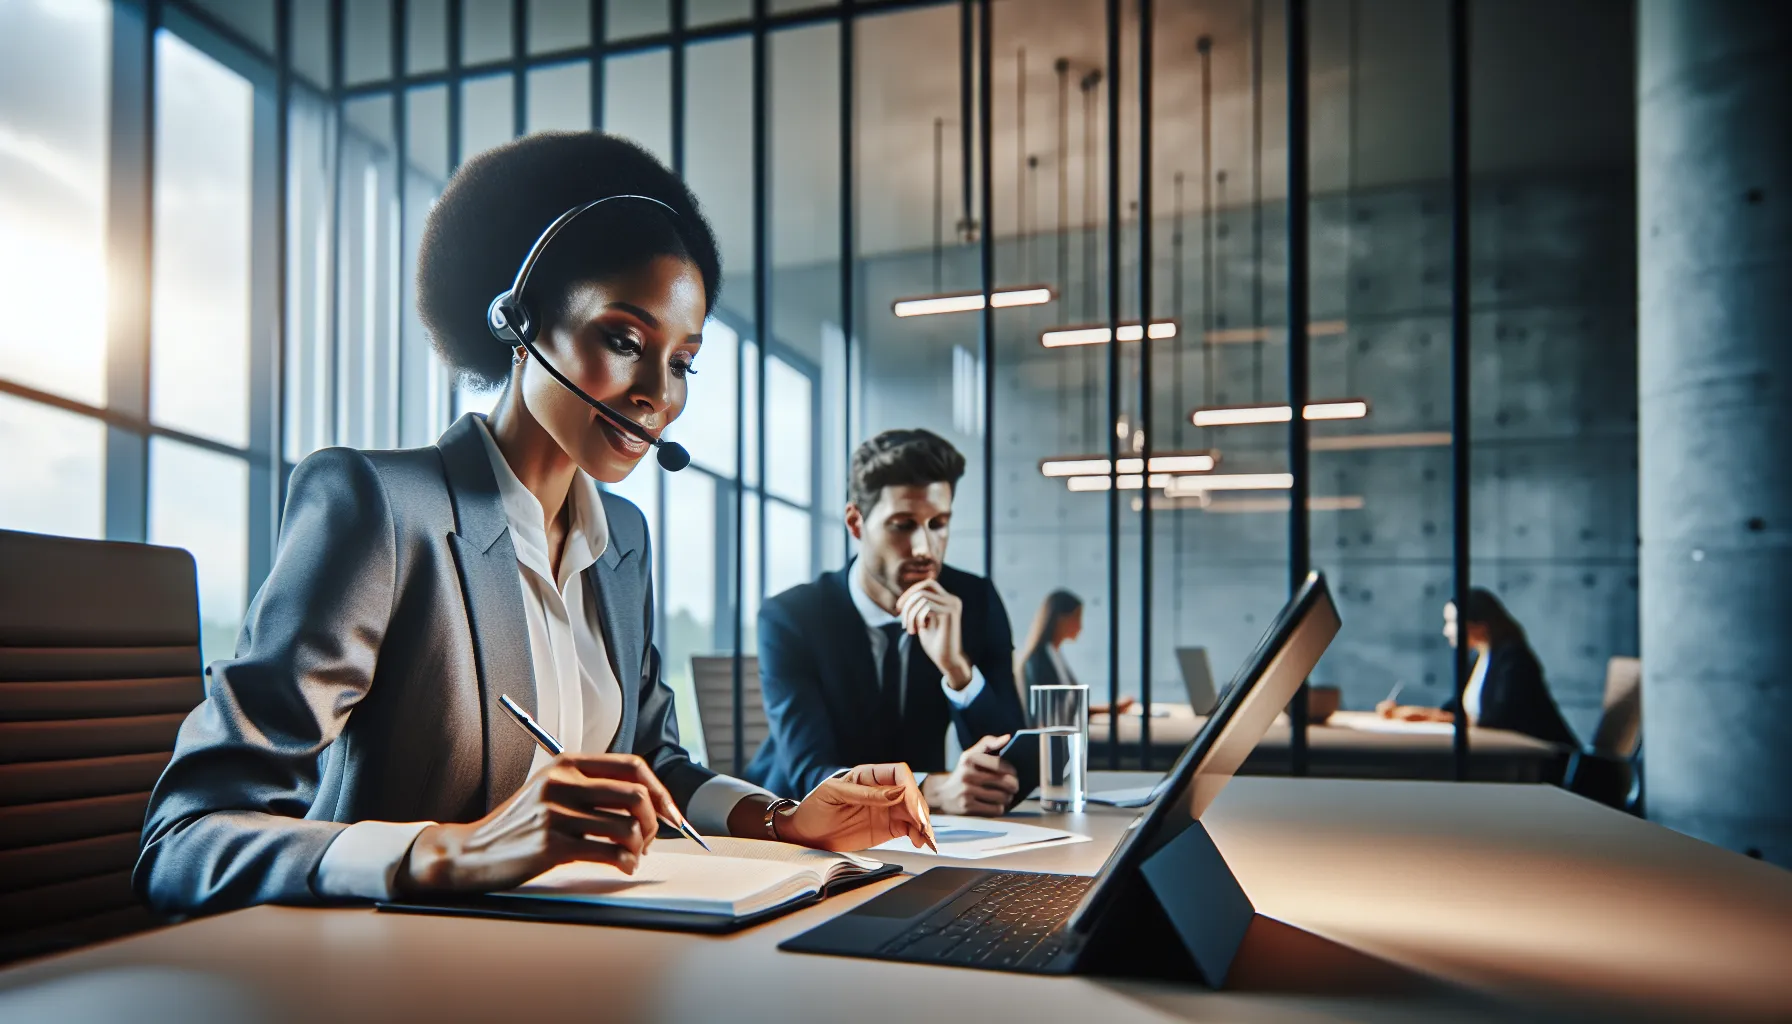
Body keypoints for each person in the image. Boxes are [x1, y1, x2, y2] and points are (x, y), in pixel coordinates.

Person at [135, 133, 930, 917]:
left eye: (683, 361)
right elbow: (186, 837)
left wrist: (783, 818)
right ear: (519, 322)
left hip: (583, 958)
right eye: (624, 339)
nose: (659, 392)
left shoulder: (622, 539)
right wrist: (451, 850)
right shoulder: (378, 507)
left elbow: (652, 764)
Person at [745, 430, 1028, 817]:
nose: (924, 549)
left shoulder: (973, 602)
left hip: (921, 838)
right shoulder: (791, 618)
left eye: (938, 524)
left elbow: (1014, 765)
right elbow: (811, 774)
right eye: (902, 525)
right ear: (856, 522)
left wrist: (957, 669)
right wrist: (928, 791)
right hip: (796, 829)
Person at [1377, 587, 1578, 746]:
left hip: (1541, 759)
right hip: (1503, 751)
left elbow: (1499, 720)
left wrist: (1433, 717)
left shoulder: (1513, 659)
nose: (1446, 631)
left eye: (1452, 622)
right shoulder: (1480, 659)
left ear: (1480, 625)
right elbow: (1455, 708)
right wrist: (1411, 713)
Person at [1017, 589, 1134, 716]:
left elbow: (1071, 708)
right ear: (1060, 619)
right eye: (1077, 617)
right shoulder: (1037, 660)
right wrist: (1111, 709)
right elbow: (1054, 713)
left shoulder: (1054, 655)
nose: (1080, 626)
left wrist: (1112, 709)